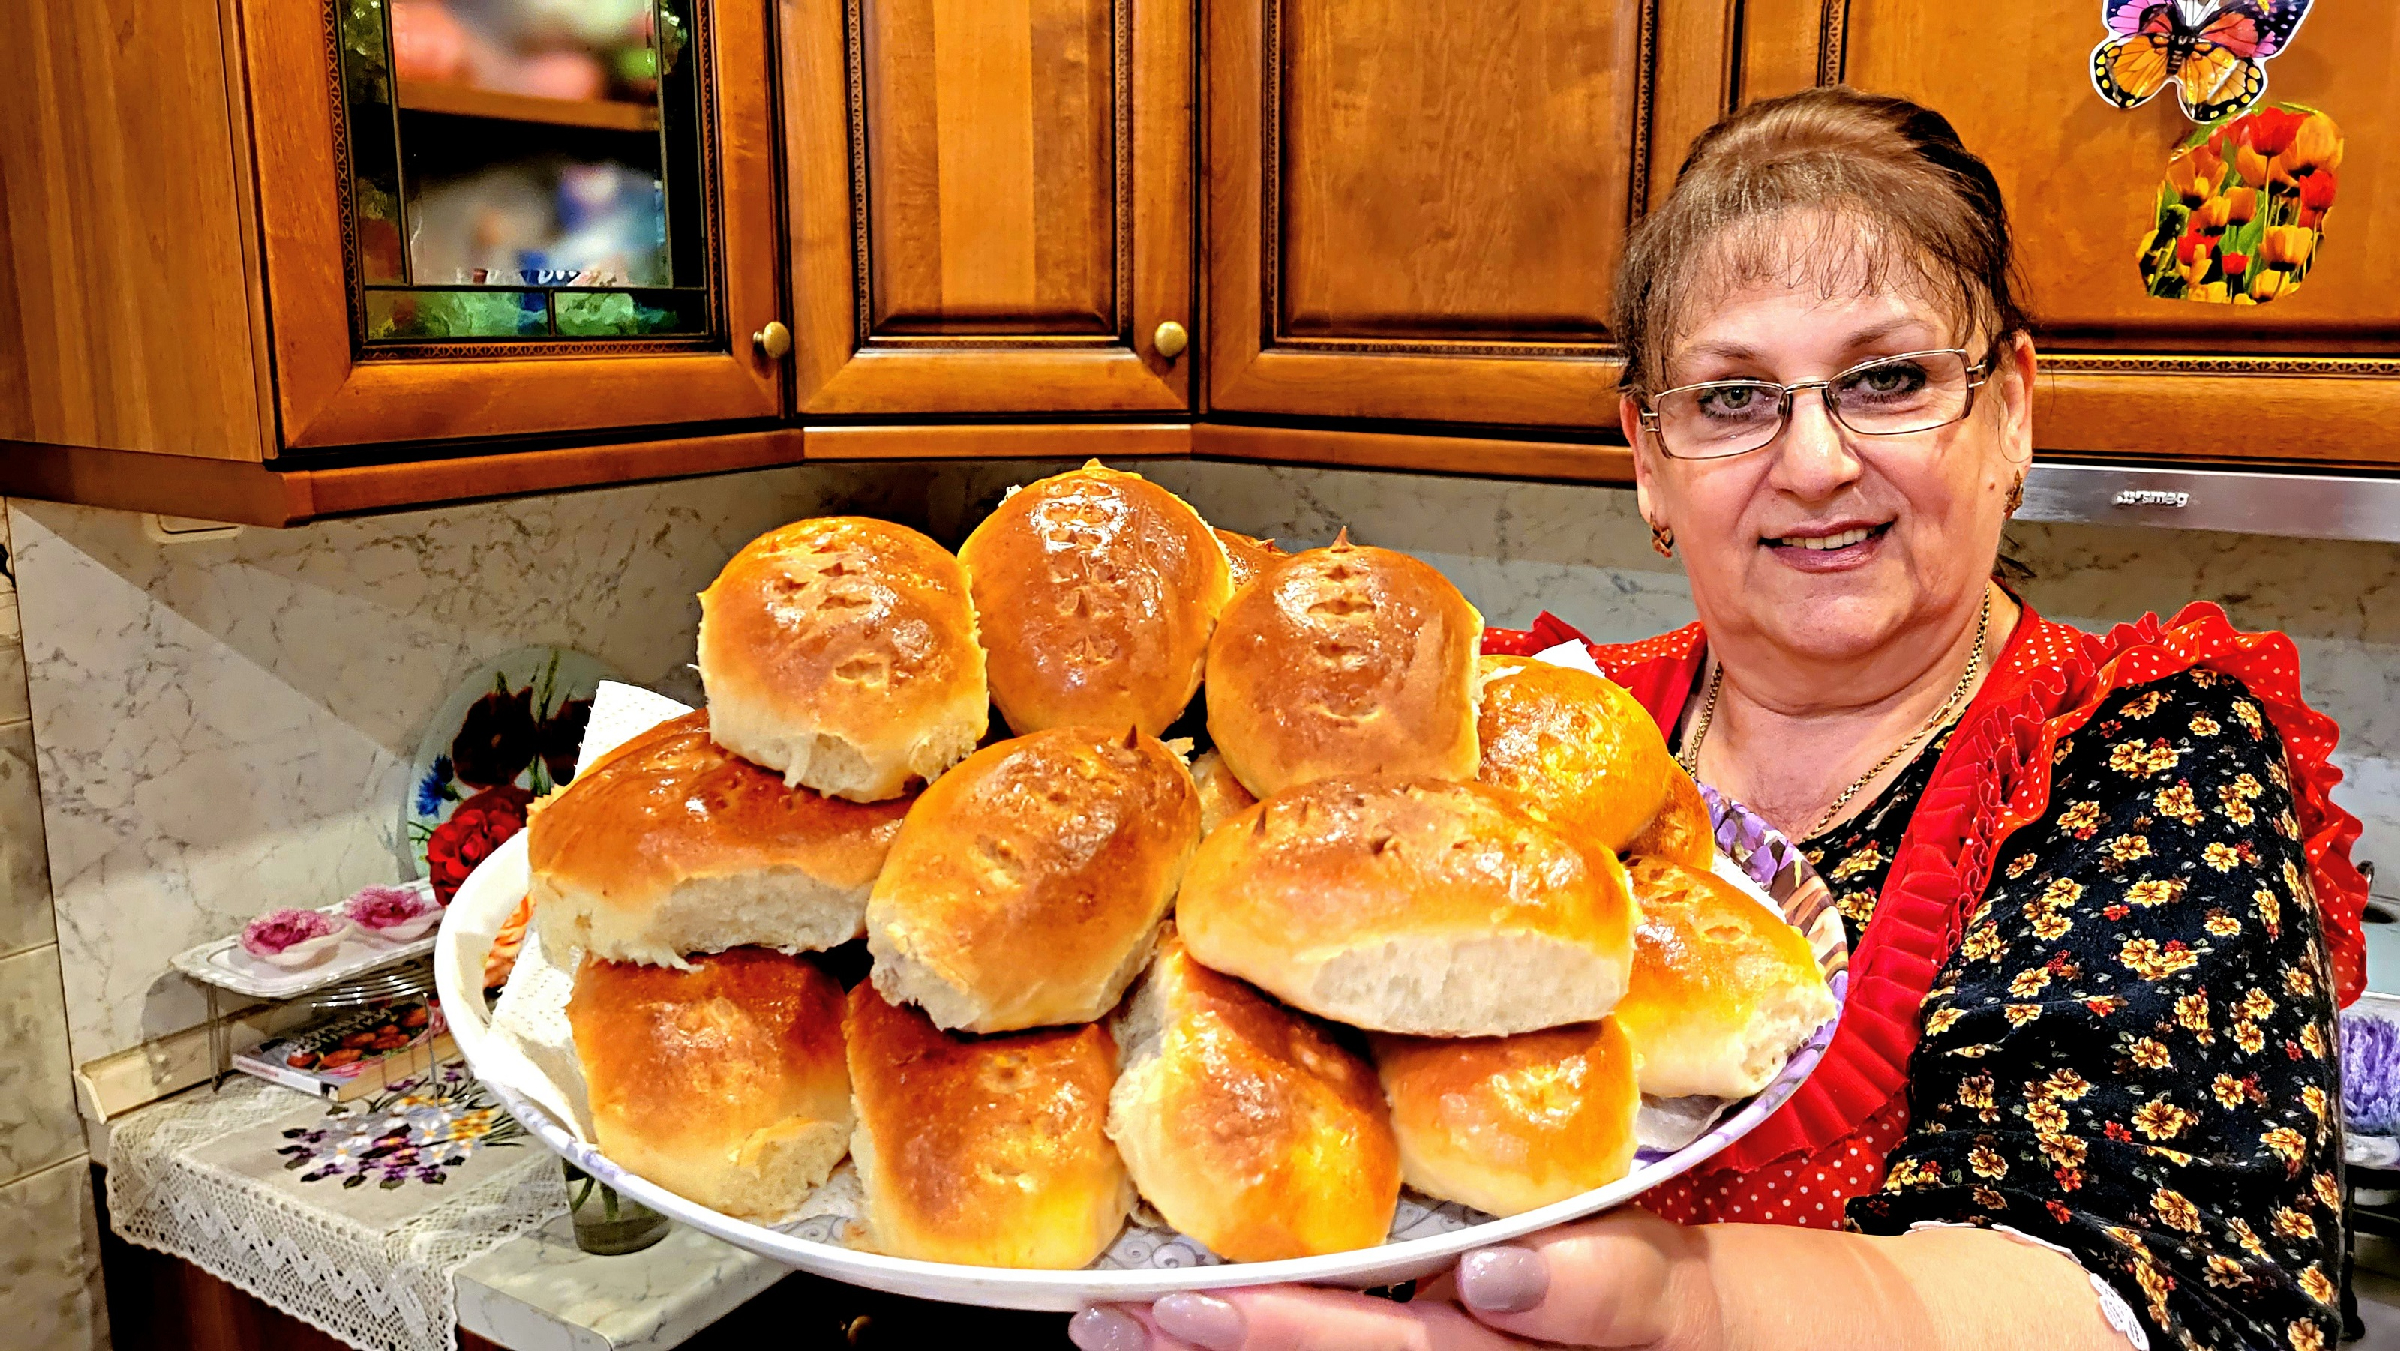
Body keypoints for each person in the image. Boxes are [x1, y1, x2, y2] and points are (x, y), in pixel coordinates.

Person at [1068, 87, 2366, 1351]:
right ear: (1649, 457)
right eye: (1734, 398)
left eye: (1889, 377)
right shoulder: (1522, 729)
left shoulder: (2136, 760)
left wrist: (1684, 1309)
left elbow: (2165, 1298)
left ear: (2011, 409)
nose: (1813, 462)